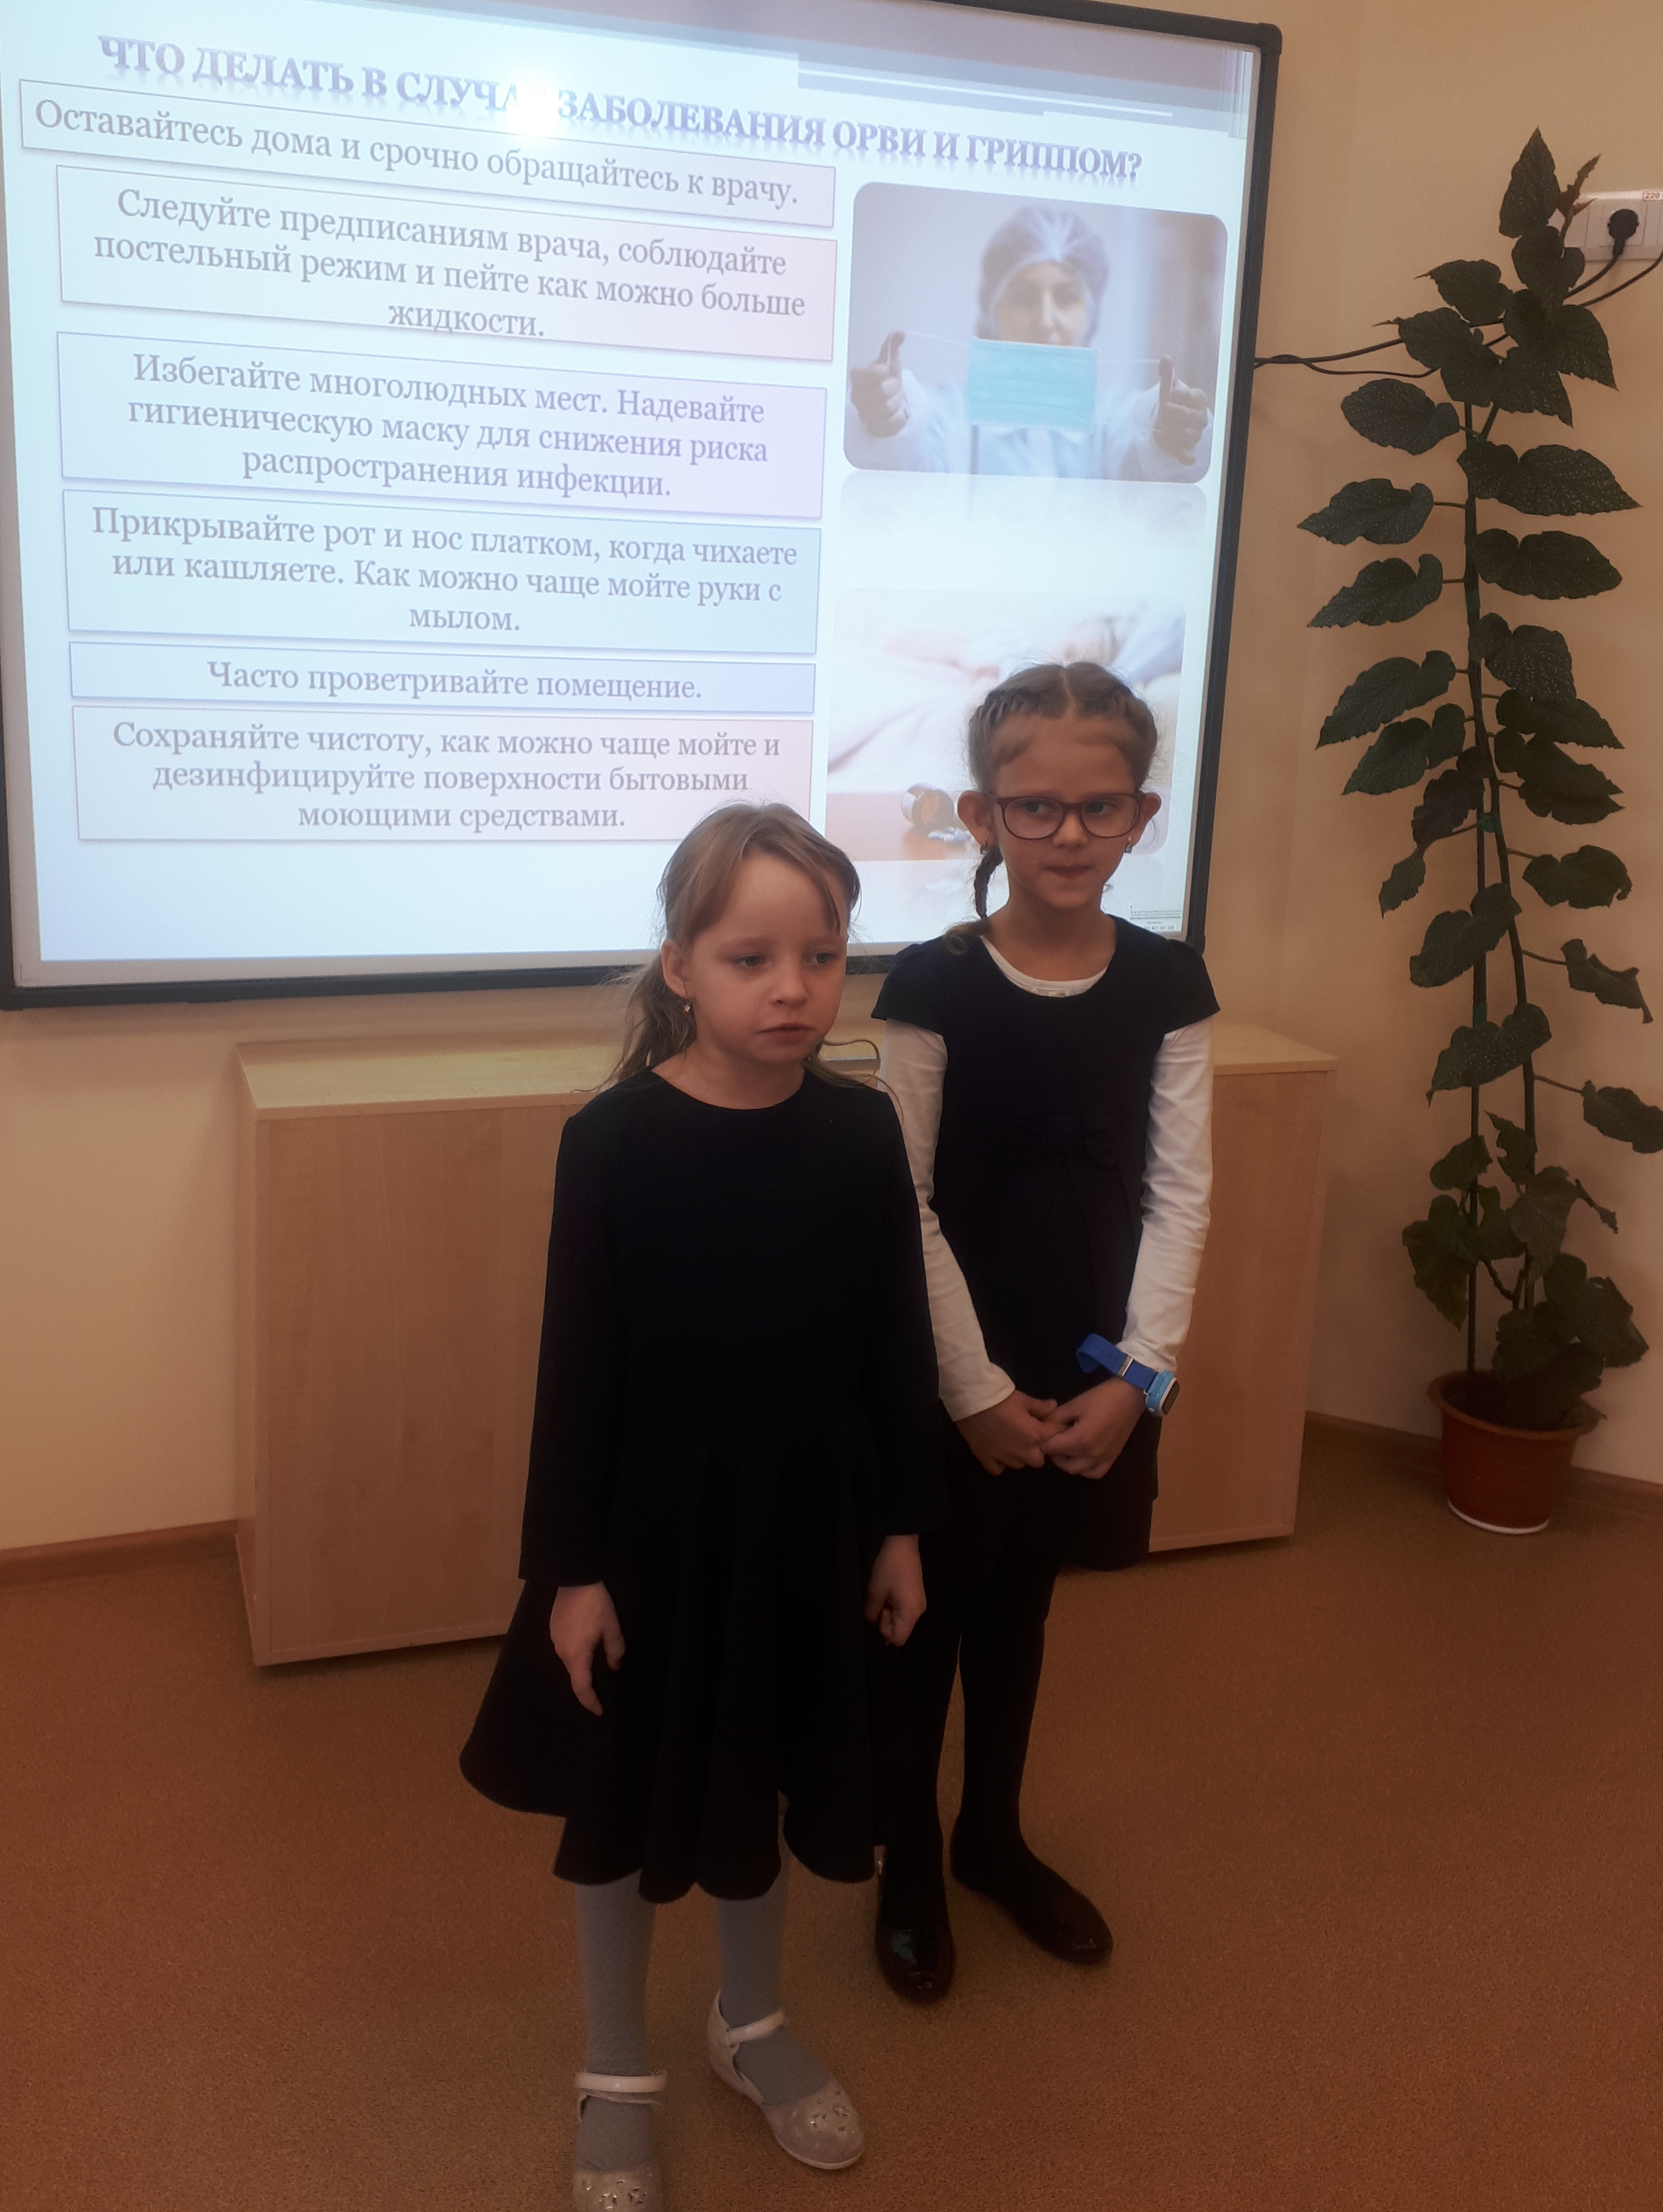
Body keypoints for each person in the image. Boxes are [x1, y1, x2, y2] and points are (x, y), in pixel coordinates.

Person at [460, 803, 945, 2210]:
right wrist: (573, 1570)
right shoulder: (614, 1140)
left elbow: (894, 1341)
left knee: (764, 1765)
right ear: (679, 966)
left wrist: (901, 1525)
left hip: (807, 1523)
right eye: (750, 958)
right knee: (626, 1794)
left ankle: (751, 2021)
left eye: (821, 956)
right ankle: (616, 2069)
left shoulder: (860, 1131)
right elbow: (579, 1367)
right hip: (652, 1536)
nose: (792, 988)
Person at [867, 661, 1217, 2003]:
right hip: (951, 1356)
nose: (1067, 833)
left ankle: (991, 1839)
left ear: (1141, 816)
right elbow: (899, 1201)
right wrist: (967, 1388)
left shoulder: (1168, 980)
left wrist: (1141, 1378)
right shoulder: (933, 985)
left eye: (1098, 807)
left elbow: (1179, 1193)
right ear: (981, 815)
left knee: (1022, 1601)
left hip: (1090, 1359)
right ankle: (908, 1863)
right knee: (924, 1614)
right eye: (1034, 807)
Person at [845, 203, 1212, 481]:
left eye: (1066, 298)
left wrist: (1169, 436)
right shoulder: (950, 418)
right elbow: (912, 454)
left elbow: (1145, 457)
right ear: (992, 311)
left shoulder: (1117, 421)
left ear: (1092, 312)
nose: (1045, 322)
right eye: (1023, 298)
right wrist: (890, 422)